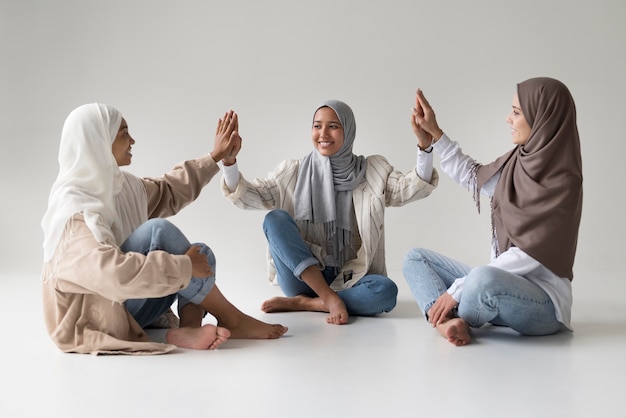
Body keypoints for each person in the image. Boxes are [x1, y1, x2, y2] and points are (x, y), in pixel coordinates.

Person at [41, 103, 287, 355]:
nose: (133, 140)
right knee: (162, 234)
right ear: (99, 141)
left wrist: (216, 157)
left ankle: (190, 328)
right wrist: (184, 267)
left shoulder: (117, 185)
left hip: (129, 305)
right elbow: (110, 276)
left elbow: (167, 190)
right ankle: (231, 319)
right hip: (98, 319)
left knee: (201, 253)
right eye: (124, 133)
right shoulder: (74, 207)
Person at [220, 99, 439, 325]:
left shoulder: (373, 171)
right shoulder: (293, 171)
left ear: (348, 130)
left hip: (351, 277)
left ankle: (310, 303)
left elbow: (408, 189)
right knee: (274, 219)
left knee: (386, 291)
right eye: (317, 126)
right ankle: (328, 298)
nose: (323, 133)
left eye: (333, 126)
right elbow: (250, 196)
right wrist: (229, 162)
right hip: (300, 278)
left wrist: (425, 147)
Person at [402, 77, 583, 346]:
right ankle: (448, 321)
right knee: (415, 259)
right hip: (496, 287)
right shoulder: (519, 162)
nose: (508, 119)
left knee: (481, 279)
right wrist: (435, 136)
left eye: (517, 112)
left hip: (542, 305)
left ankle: (452, 314)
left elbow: (529, 253)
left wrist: (459, 289)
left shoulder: (564, 182)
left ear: (543, 117)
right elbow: (475, 178)